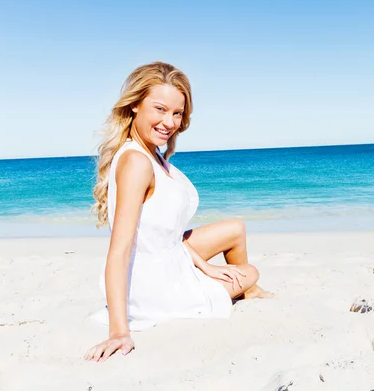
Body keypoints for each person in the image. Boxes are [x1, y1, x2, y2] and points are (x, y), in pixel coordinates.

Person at [84, 61, 273, 363]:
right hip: (156, 283)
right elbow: (118, 251)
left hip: (168, 254)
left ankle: (247, 292)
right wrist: (119, 330)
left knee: (235, 228)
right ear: (135, 105)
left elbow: (166, 233)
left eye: (177, 113)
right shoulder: (137, 163)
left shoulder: (151, 154)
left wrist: (206, 266)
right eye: (160, 109)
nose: (169, 122)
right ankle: (244, 289)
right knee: (250, 272)